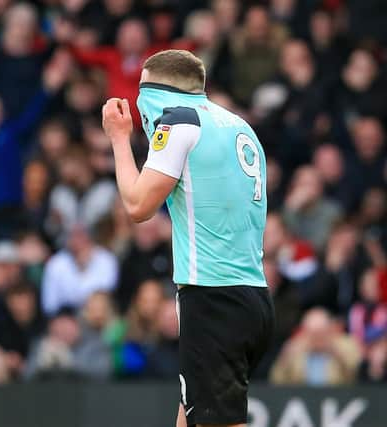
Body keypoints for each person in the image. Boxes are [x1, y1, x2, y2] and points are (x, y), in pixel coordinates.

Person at [102, 49, 274, 427]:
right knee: (191, 416)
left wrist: (118, 139)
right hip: (252, 295)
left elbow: (137, 205)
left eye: (142, 88)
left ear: (161, 90)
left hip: (212, 296)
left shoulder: (180, 122)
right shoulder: (237, 124)